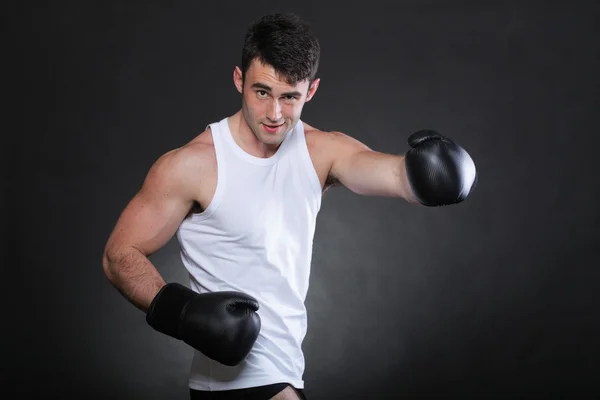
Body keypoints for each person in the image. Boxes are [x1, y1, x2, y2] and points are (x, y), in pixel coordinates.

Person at [102, 12, 477, 400]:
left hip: (286, 368)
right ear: (238, 79)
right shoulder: (191, 165)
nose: (275, 114)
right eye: (262, 92)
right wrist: (182, 313)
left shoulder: (322, 151)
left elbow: (396, 176)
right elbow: (119, 256)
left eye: (289, 97)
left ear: (310, 91)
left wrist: (428, 174)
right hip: (233, 379)